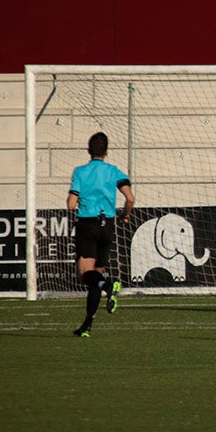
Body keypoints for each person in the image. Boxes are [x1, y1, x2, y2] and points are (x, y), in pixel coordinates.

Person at [68, 132, 135, 337]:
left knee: (85, 276)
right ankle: (87, 326)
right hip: (108, 226)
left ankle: (107, 285)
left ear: (89, 150)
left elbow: (71, 204)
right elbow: (130, 197)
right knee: (95, 276)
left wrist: (79, 203)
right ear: (106, 151)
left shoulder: (80, 171)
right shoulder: (113, 171)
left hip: (88, 224)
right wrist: (125, 215)